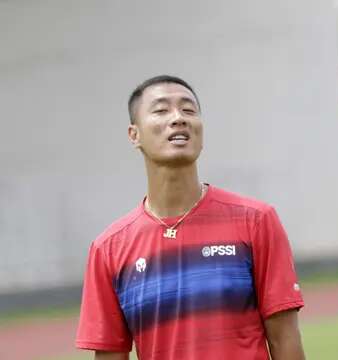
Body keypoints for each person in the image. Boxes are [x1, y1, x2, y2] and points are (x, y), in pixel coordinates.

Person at [75, 75, 305, 360]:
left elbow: (285, 340)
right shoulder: (108, 249)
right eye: (161, 110)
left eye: (188, 110)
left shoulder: (256, 221)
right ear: (134, 135)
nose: (178, 118)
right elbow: (110, 355)